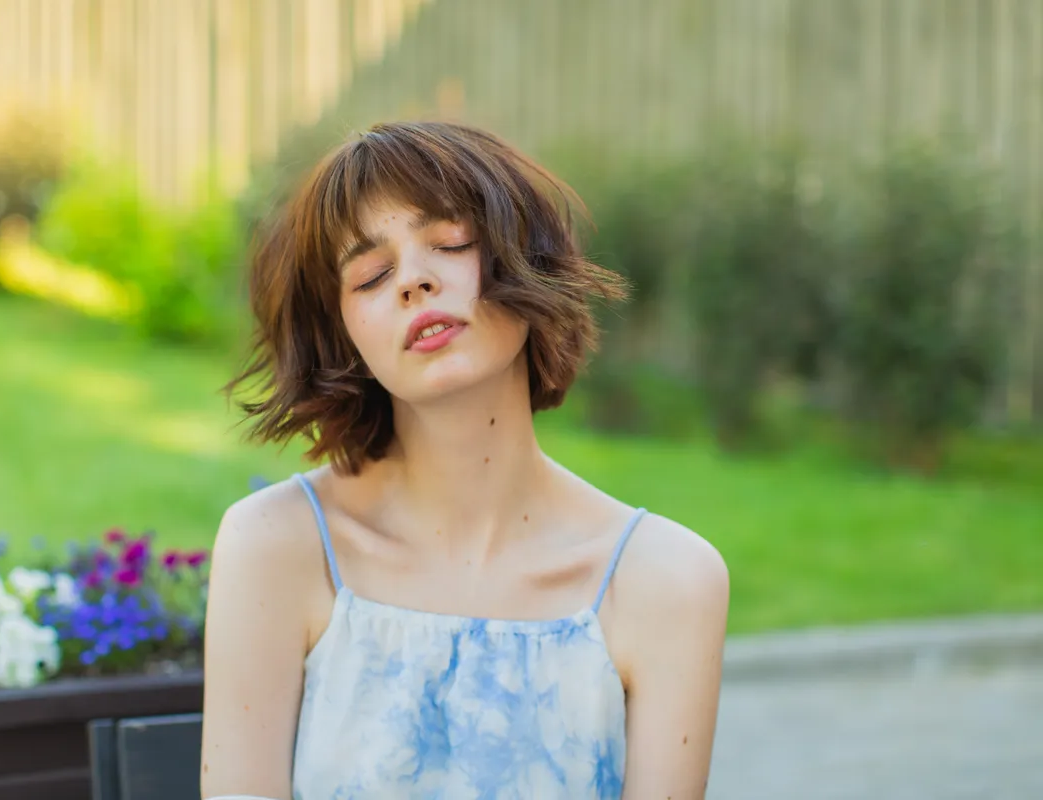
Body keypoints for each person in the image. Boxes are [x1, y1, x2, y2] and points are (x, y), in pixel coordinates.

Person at [200, 121, 730, 800]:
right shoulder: (278, 547)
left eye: (449, 243)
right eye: (370, 275)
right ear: (342, 334)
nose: (414, 282)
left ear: (526, 261)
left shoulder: (667, 580)